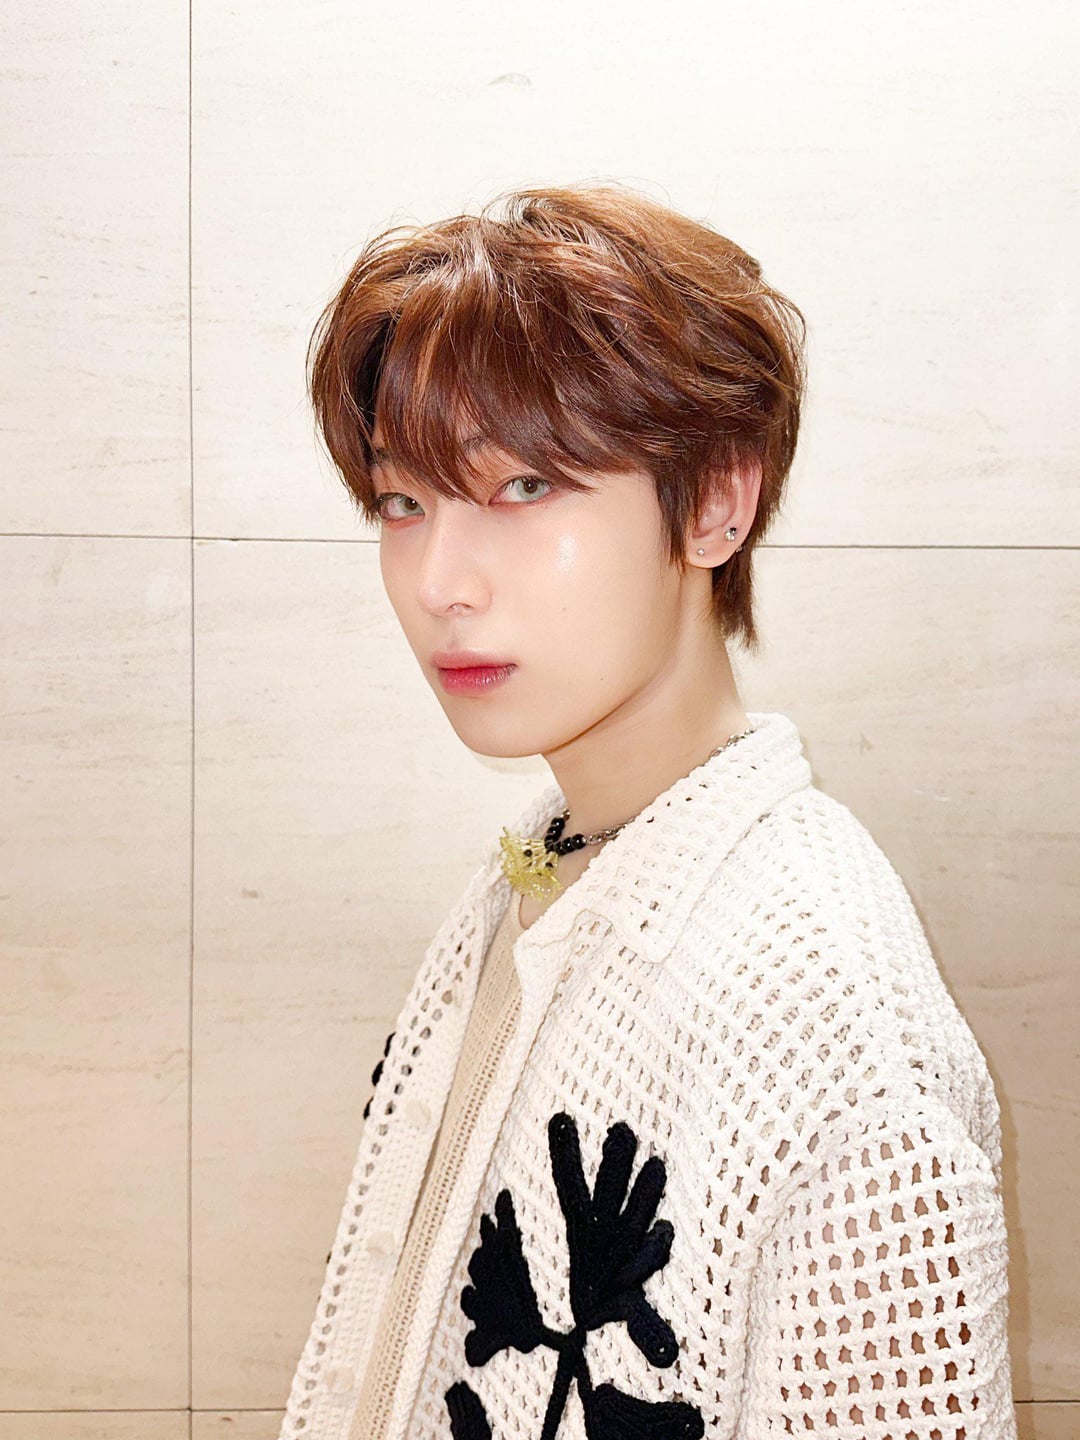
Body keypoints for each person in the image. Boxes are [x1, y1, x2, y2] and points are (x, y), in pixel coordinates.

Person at [278, 183, 1015, 1440]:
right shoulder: (548, 866)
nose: (441, 581)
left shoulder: (836, 1039)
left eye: (523, 487)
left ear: (718, 501)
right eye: (403, 502)